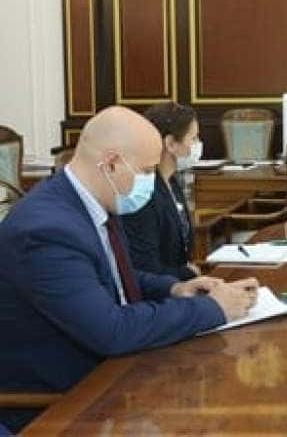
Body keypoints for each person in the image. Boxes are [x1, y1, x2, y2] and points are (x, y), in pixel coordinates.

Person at [0, 106, 258, 433]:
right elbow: (112, 331)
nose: (151, 181)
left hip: (113, 379)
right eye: (147, 170)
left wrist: (174, 289)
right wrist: (212, 309)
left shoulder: (95, 200)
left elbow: (111, 279)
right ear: (111, 163)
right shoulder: (46, 231)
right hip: (61, 406)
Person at [121, 102, 202, 280]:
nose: (198, 145)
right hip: (159, 289)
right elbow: (145, 268)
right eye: (193, 139)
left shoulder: (171, 180)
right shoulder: (143, 193)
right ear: (170, 143)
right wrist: (188, 273)